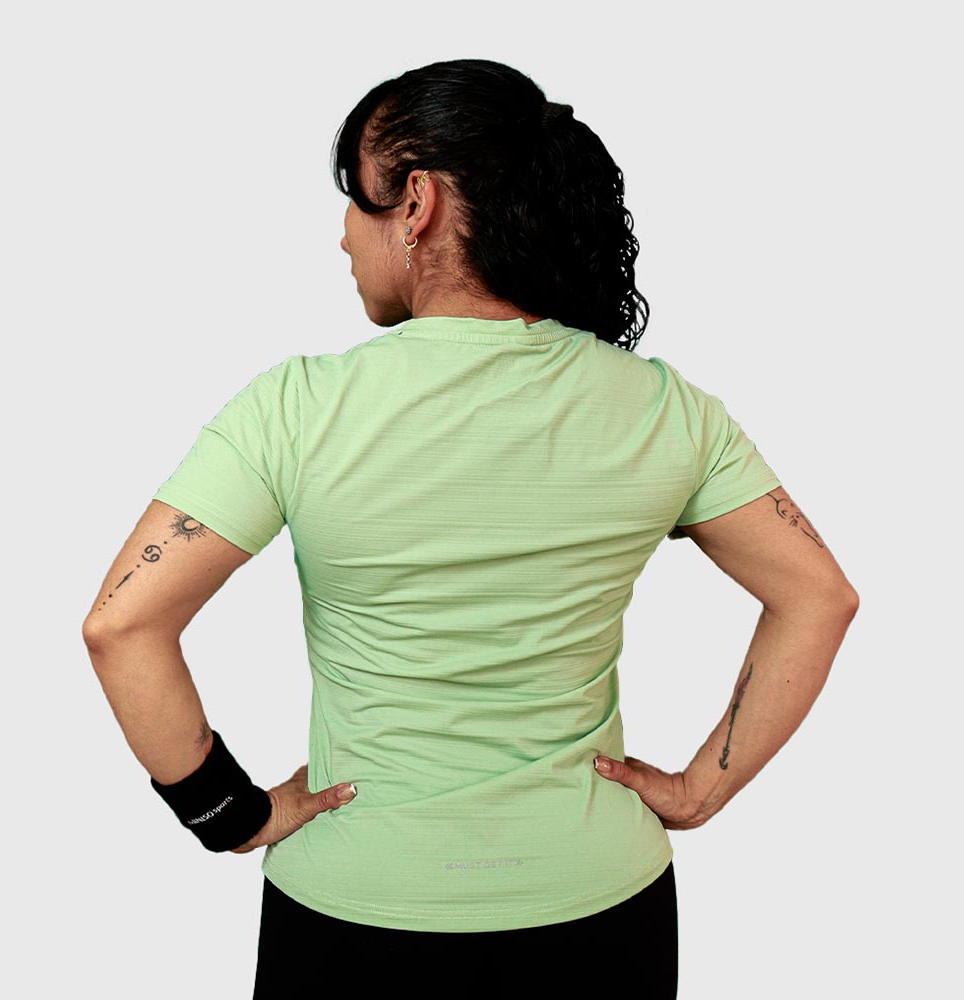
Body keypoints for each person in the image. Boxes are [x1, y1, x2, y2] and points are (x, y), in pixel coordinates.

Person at [82, 58, 858, 997]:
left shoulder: (295, 408)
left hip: (357, 909)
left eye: (353, 196)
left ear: (417, 203)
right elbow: (818, 595)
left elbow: (123, 624)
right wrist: (700, 791)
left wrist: (231, 816)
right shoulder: (667, 410)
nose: (342, 232)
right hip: (601, 908)